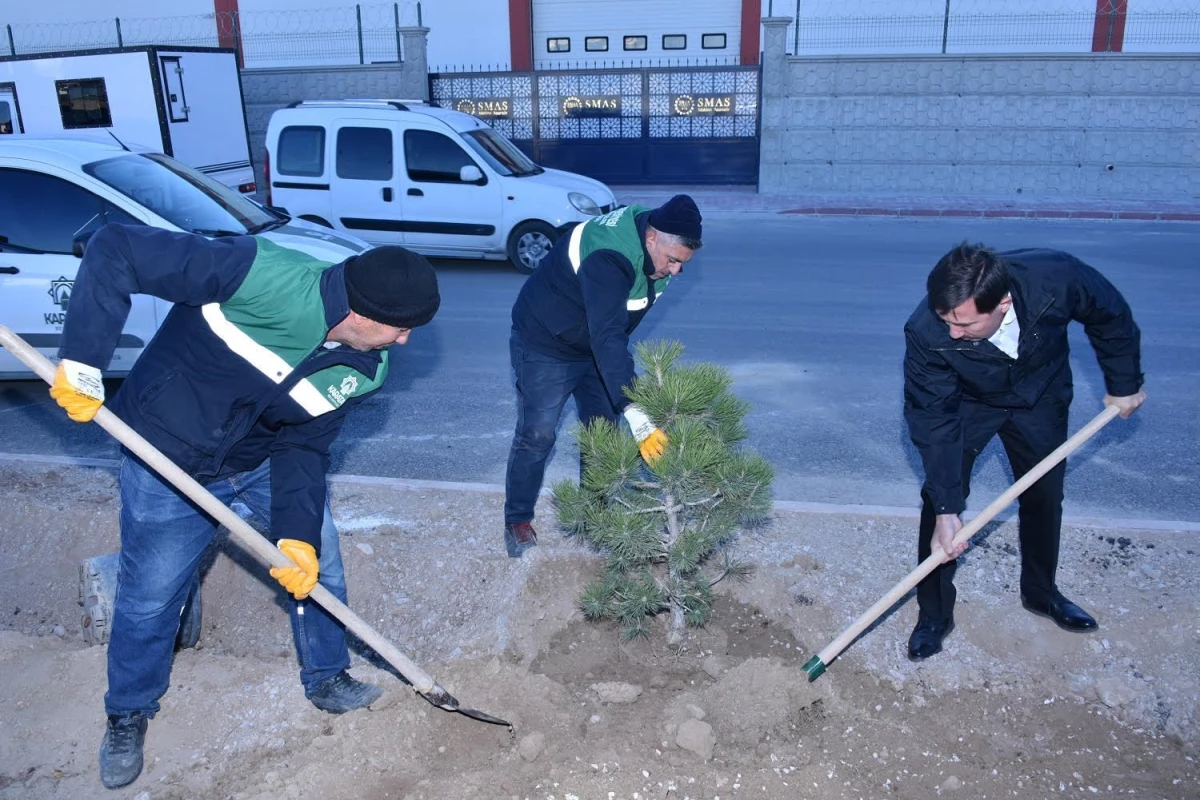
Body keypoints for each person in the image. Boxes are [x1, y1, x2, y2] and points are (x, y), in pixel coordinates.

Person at [49, 224, 440, 789]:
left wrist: (296, 534)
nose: (403, 342)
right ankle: (128, 714)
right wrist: (83, 360)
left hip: (257, 467)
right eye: (400, 328)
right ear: (360, 312)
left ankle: (328, 677)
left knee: (318, 565)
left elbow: (303, 446)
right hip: (165, 458)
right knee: (151, 596)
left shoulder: (363, 368)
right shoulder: (258, 275)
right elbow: (117, 247)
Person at [903, 242, 1146, 661]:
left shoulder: (1056, 277)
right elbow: (931, 416)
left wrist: (1123, 383)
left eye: (964, 323)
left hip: (1040, 394)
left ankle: (1041, 593)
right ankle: (934, 615)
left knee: (1044, 495)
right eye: (946, 320)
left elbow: (1110, 315)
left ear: (1003, 302)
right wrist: (948, 509)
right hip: (968, 402)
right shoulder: (927, 330)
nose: (953, 333)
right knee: (938, 499)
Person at [503, 195, 703, 557]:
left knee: (602, 434)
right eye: (673, 261)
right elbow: (608, 334)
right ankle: (517, 519)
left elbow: (613, 330)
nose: (675, 271)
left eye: (682, 264)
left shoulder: (658, 252)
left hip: (595, 343)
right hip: (545, 340)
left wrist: (622, 391)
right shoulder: (610, 256)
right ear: (652, 238)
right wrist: (634, 407)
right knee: (538, 433)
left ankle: (594, 516)